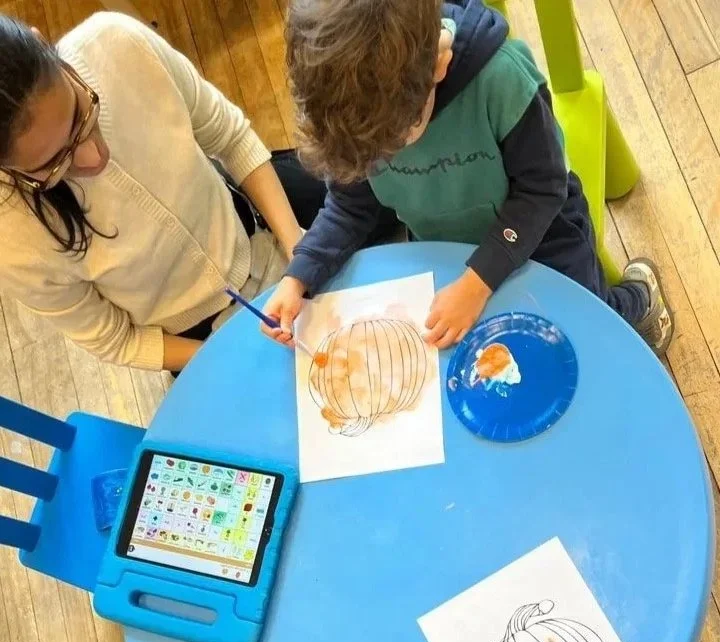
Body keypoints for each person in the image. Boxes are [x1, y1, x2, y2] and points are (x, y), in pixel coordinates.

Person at [262, 0, 674, 356]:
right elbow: (349, 206)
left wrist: (477, 284)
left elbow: (541, 190)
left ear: (440, 64)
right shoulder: (362, 119)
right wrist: (299, 276)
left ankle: (637, 304)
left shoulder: (501, 80)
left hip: (543, 235)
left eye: (395, 143)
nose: (383, 157)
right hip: (443, 250)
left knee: (586, 317)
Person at [0, 12, 395, 373]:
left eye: (81, 114)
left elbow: (230, 137)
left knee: (381, 194)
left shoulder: (117, 43)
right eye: (54, 165)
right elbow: (115, 339)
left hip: (253, 224)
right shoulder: (11, 241)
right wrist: (222, 355)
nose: (94, 156)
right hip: (196, 339)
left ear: (42, 42)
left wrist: (298, 250)